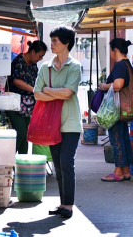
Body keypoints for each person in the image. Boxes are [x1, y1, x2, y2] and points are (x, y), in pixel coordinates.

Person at [34, 26, 82, 220]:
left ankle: (69, 205)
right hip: (51, 124)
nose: (51, 44)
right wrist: (56, 92)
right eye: (52, 40)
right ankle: (62, 203)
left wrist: (49, 90)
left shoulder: (75, 66)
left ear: (66, 43)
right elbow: (37, 93)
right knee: (58, 165)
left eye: (55, 41)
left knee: (66, 162)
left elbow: (68, 93)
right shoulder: (45, 67)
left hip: (70, 123)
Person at [98, 38, 133, 182]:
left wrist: (103, 86)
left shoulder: (120, 65)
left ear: (116, 50)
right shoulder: (127, 64)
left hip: (116, 108)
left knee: (116, 139)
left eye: (111, 51)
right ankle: (126, 171)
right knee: (123, 137)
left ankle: (118, 171)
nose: (111, 54)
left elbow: (118, 85)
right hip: (123, 108)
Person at [7, 40, 47, 154]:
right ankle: (8, 159)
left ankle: (22, 162)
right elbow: (16, 81)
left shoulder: (33, 65)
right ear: (33, 52)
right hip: (15, 104)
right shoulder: (18, 61)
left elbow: (37, 80)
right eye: (40, 56)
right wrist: (33, 90)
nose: (40, 59)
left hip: (28, 106)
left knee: (25, 135)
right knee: (20, 132)